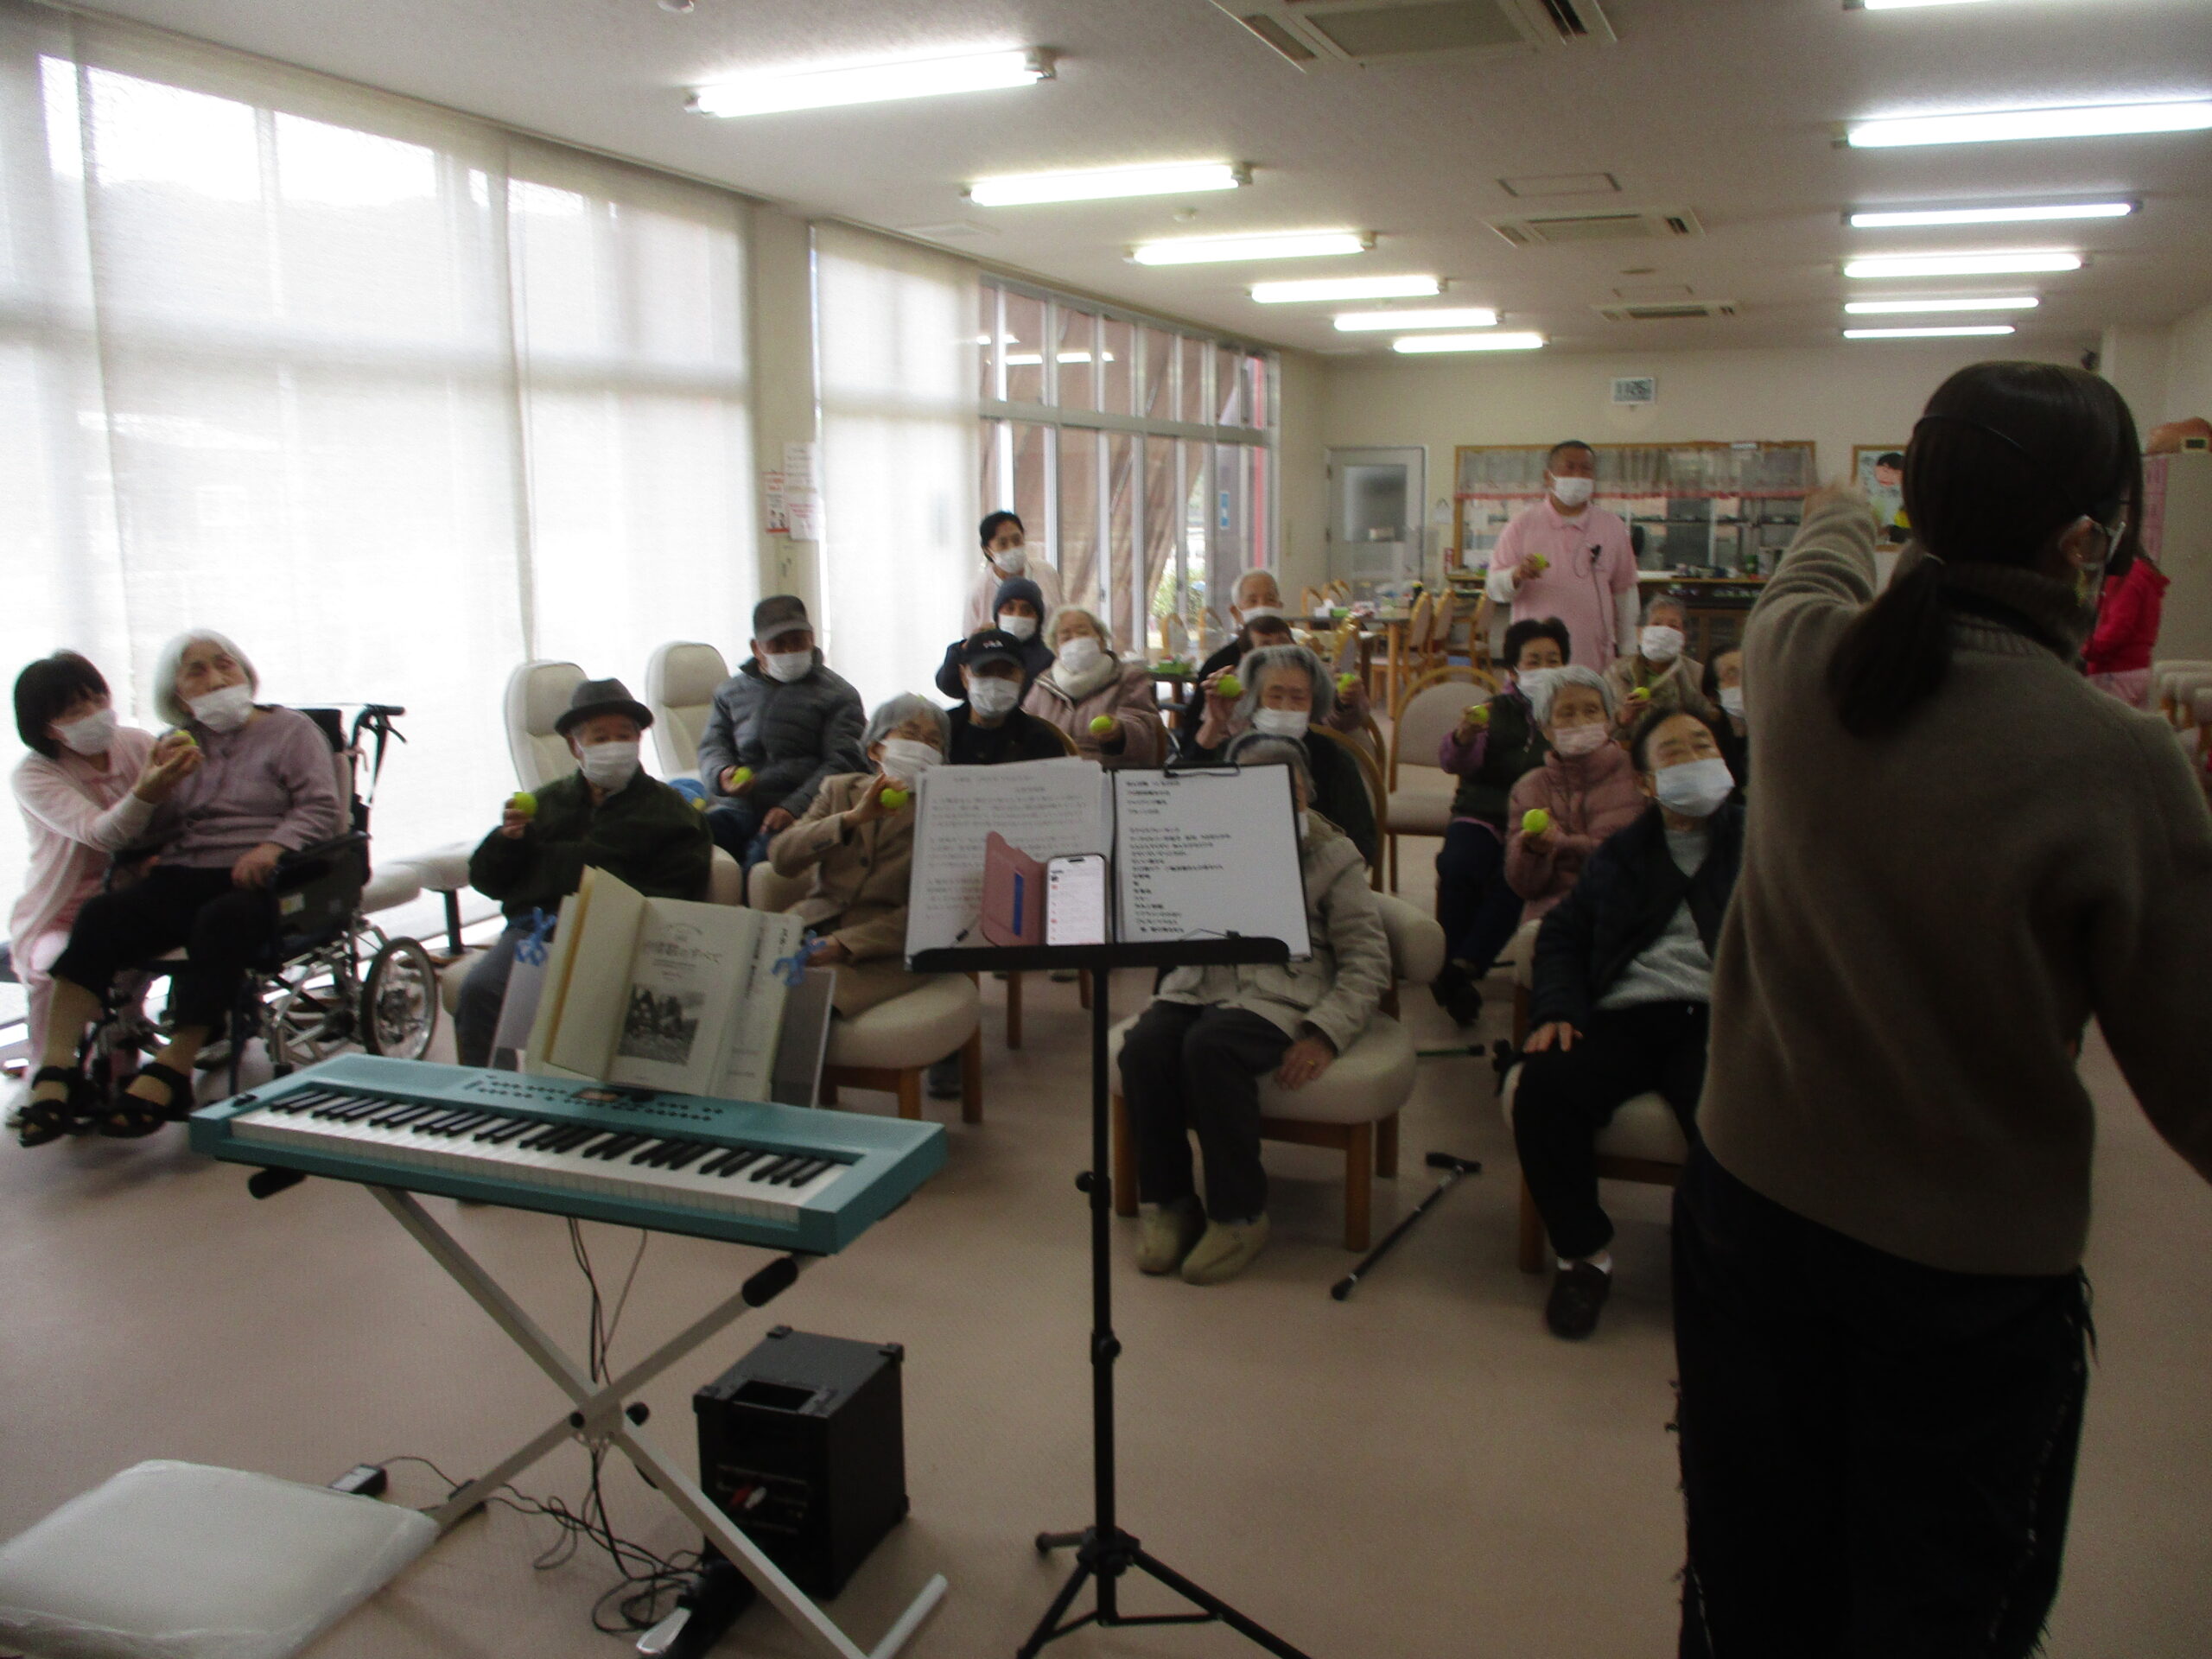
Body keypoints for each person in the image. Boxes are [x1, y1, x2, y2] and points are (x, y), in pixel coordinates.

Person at [1675, 363, 2212, 1656]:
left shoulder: (1797, 659)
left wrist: (1846, 509)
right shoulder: (2117, 759)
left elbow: (1814, 553)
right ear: (2082, 543)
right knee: (1934, 1615)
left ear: (1914, 499)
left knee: (1746, 1585)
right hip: (1960, 1287)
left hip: (1748, 1219)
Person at [21, 632, 343, 1141]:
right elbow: (160, 824)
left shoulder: (291, 731)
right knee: (101, 916)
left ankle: (173, 1069)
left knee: (221, 921)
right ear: (177, 695)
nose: (215, 679)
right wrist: (154, 796)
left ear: (245, 671)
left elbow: (321, 808)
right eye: (196, 671)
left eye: (224, 664)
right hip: (188, 870)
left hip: (269, 875)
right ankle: (57, 1068)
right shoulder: (177, 742)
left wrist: (274, 846)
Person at [1118, 733, 1390, 1285]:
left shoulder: (1333, 855)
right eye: (1253, 789)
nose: (1272, 802)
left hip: (1284, 994)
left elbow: (1368, 959)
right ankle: (1172, 1202)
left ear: (1307, 793)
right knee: (1144, 1048)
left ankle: (1239, 1215)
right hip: (1200, 982)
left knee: (1211, 1048)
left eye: (1287, 790)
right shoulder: (1207, 841)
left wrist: (1327, 1033)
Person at [1513, 708, 1742, 1339]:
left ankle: (1731, 1266)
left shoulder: (1763, 841)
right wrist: (1557, 1008)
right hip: (1630, 1010)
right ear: (1646, 782)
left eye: (1703, 745)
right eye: (1674, 752)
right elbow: (1562, 934)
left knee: (1728, 1115)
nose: (1694, 759)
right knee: (1544, 1088)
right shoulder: (1622, 854)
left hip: (1722, 1018)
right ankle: (1584, 1257)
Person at [458, 678, 713, 1069]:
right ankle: (490, 1095)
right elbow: (488, 882)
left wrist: (601, 893)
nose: (614, 745)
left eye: (624, 735)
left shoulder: (672, 812)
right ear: (575, 746)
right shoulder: (543, 804)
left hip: (624, 937)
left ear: (639, 740)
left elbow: (683, 890)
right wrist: (507, 841)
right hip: (538, 933)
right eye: (600, 737)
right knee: (481, 990)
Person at [10, 653, 198, 1135]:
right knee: (59, 967)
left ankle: (121, 1070)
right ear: (47, 726)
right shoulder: (35, 775)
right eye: (75, 708)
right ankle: (46, 1076)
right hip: (61, 909)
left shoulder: (137, 744)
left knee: (131, 975)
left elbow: (182, 818)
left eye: (97, 698)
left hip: (134, 899)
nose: (94, 712)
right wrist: (148, 790)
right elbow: (100, 834)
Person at [767, 695, 949, 1020]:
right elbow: (782, 857)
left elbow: (938, 908)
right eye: (910, 734)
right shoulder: (838, 789)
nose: (922, 747)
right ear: (876, 749)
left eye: (933, 741)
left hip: (887, 948)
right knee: (742, 982)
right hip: (810, 924)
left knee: (806, 1003)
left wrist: (844, 944)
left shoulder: (947, 810)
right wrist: (851, 819)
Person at [1431, 618, 1567, 1026]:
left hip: (1536, 821)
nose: (1544, 668)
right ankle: (1452, 967)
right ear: (1514, 670)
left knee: (1519, 877)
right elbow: (1454, 762)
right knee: (1459, 863)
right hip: (1481, 812)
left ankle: (1462, 967)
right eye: (1534, 660)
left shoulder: (1570, 713)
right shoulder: (1494, 710)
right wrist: (1465, 736)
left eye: (1554, 660)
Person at [696, 595, 865, 869]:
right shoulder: (729, 692)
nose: (789, 651)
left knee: (757, 865)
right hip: (737, 809)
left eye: (797, 641)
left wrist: (793, 808)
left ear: (811, 638)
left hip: (803, 814)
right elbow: (713, 746)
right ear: (757, 648)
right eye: (777, 644)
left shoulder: (839, 695)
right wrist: (722, 774)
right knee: (686, 843)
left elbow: (842, 762)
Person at [1183, 645, 1378, 868]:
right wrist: (1213, 723)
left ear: (1314, 702)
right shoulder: (1232, 751)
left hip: (1318, 874)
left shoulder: (1334, 758)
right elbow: (1184, 806)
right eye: (1275, 696)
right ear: (1254, 699)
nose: (1286, 707)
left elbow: (1364, 846)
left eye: (1298, 697)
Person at [1503, 666, 1644, 923]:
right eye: (1566, 713)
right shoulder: (1529, 788)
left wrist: (1563, 843)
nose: (1580, 721)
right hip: (1552, 916)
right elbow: (1524, 887)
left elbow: (1637, 861)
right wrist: (1533, 852)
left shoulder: (1639, 774)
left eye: (1591, 711)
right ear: (1546, 729)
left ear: (1608, 719)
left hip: (1625, 911)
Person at [1484, 440, 1640, 670]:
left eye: (1586, 469)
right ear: (1548, 477)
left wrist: (1628, 650)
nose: (1578, 475)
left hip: (1593, 655)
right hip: (1536, 660)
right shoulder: (1522, 525)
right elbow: (1494, 588)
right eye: (1569, 467)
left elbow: (1625, 593)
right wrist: (1516, 575)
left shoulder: (1612, 526)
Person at [1022, 607, 1166, 767]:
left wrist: (1120, 732)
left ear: (1101, 640)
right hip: (1052, 773)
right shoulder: (1044, 684)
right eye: (1066, 637)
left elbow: (1145, 730)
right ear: (1056, 649)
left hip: (1108, 772)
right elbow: (1022, 727)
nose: (1075, 641)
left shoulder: (1128, 678)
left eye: (1083, 633)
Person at [946, 630, 1068, 766]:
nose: (995, 681)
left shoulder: (1042, 741)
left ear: (1022, 677)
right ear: (963, 676)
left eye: (1006, 672)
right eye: (984, 671)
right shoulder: (940, 733)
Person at [1603, 593, 1717, 729]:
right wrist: (1623, 719)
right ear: (1640, 632)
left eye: (1673, 626)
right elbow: (1602, 726)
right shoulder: (1616, 672)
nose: (1664, 631)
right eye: (1656, 624)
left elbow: (1710, 721)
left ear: (1684, 636)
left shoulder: (1697, 674)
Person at [936, 575, 1055, 700]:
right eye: (1009, 608)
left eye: (1026, 611)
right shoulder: (984, 647)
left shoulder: (1048, 658)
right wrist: (965, 647)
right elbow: (948, 685)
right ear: (997, 615)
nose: (1017, 615)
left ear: (1038, 619)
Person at [2083, 539, 2169, 706]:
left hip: (2116, 671)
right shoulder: (2142, 573)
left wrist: (2084, 650)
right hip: (2132, 670)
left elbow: (2118, 629)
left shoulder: (2128, 577)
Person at [963, 511, 1062, 636]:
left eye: (1016, 540)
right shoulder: (978, 591)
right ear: (987, 550)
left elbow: (1061, 618)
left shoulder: (1046, 573)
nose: (1012, 548)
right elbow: (970, 639)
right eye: (1003, 544)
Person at [1702, 647, 1748, 784]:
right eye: (1732, 674)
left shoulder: (1782, 736)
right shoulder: (1706, 742)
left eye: (1749, 672)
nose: (1745, 681)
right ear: (1713, 696)